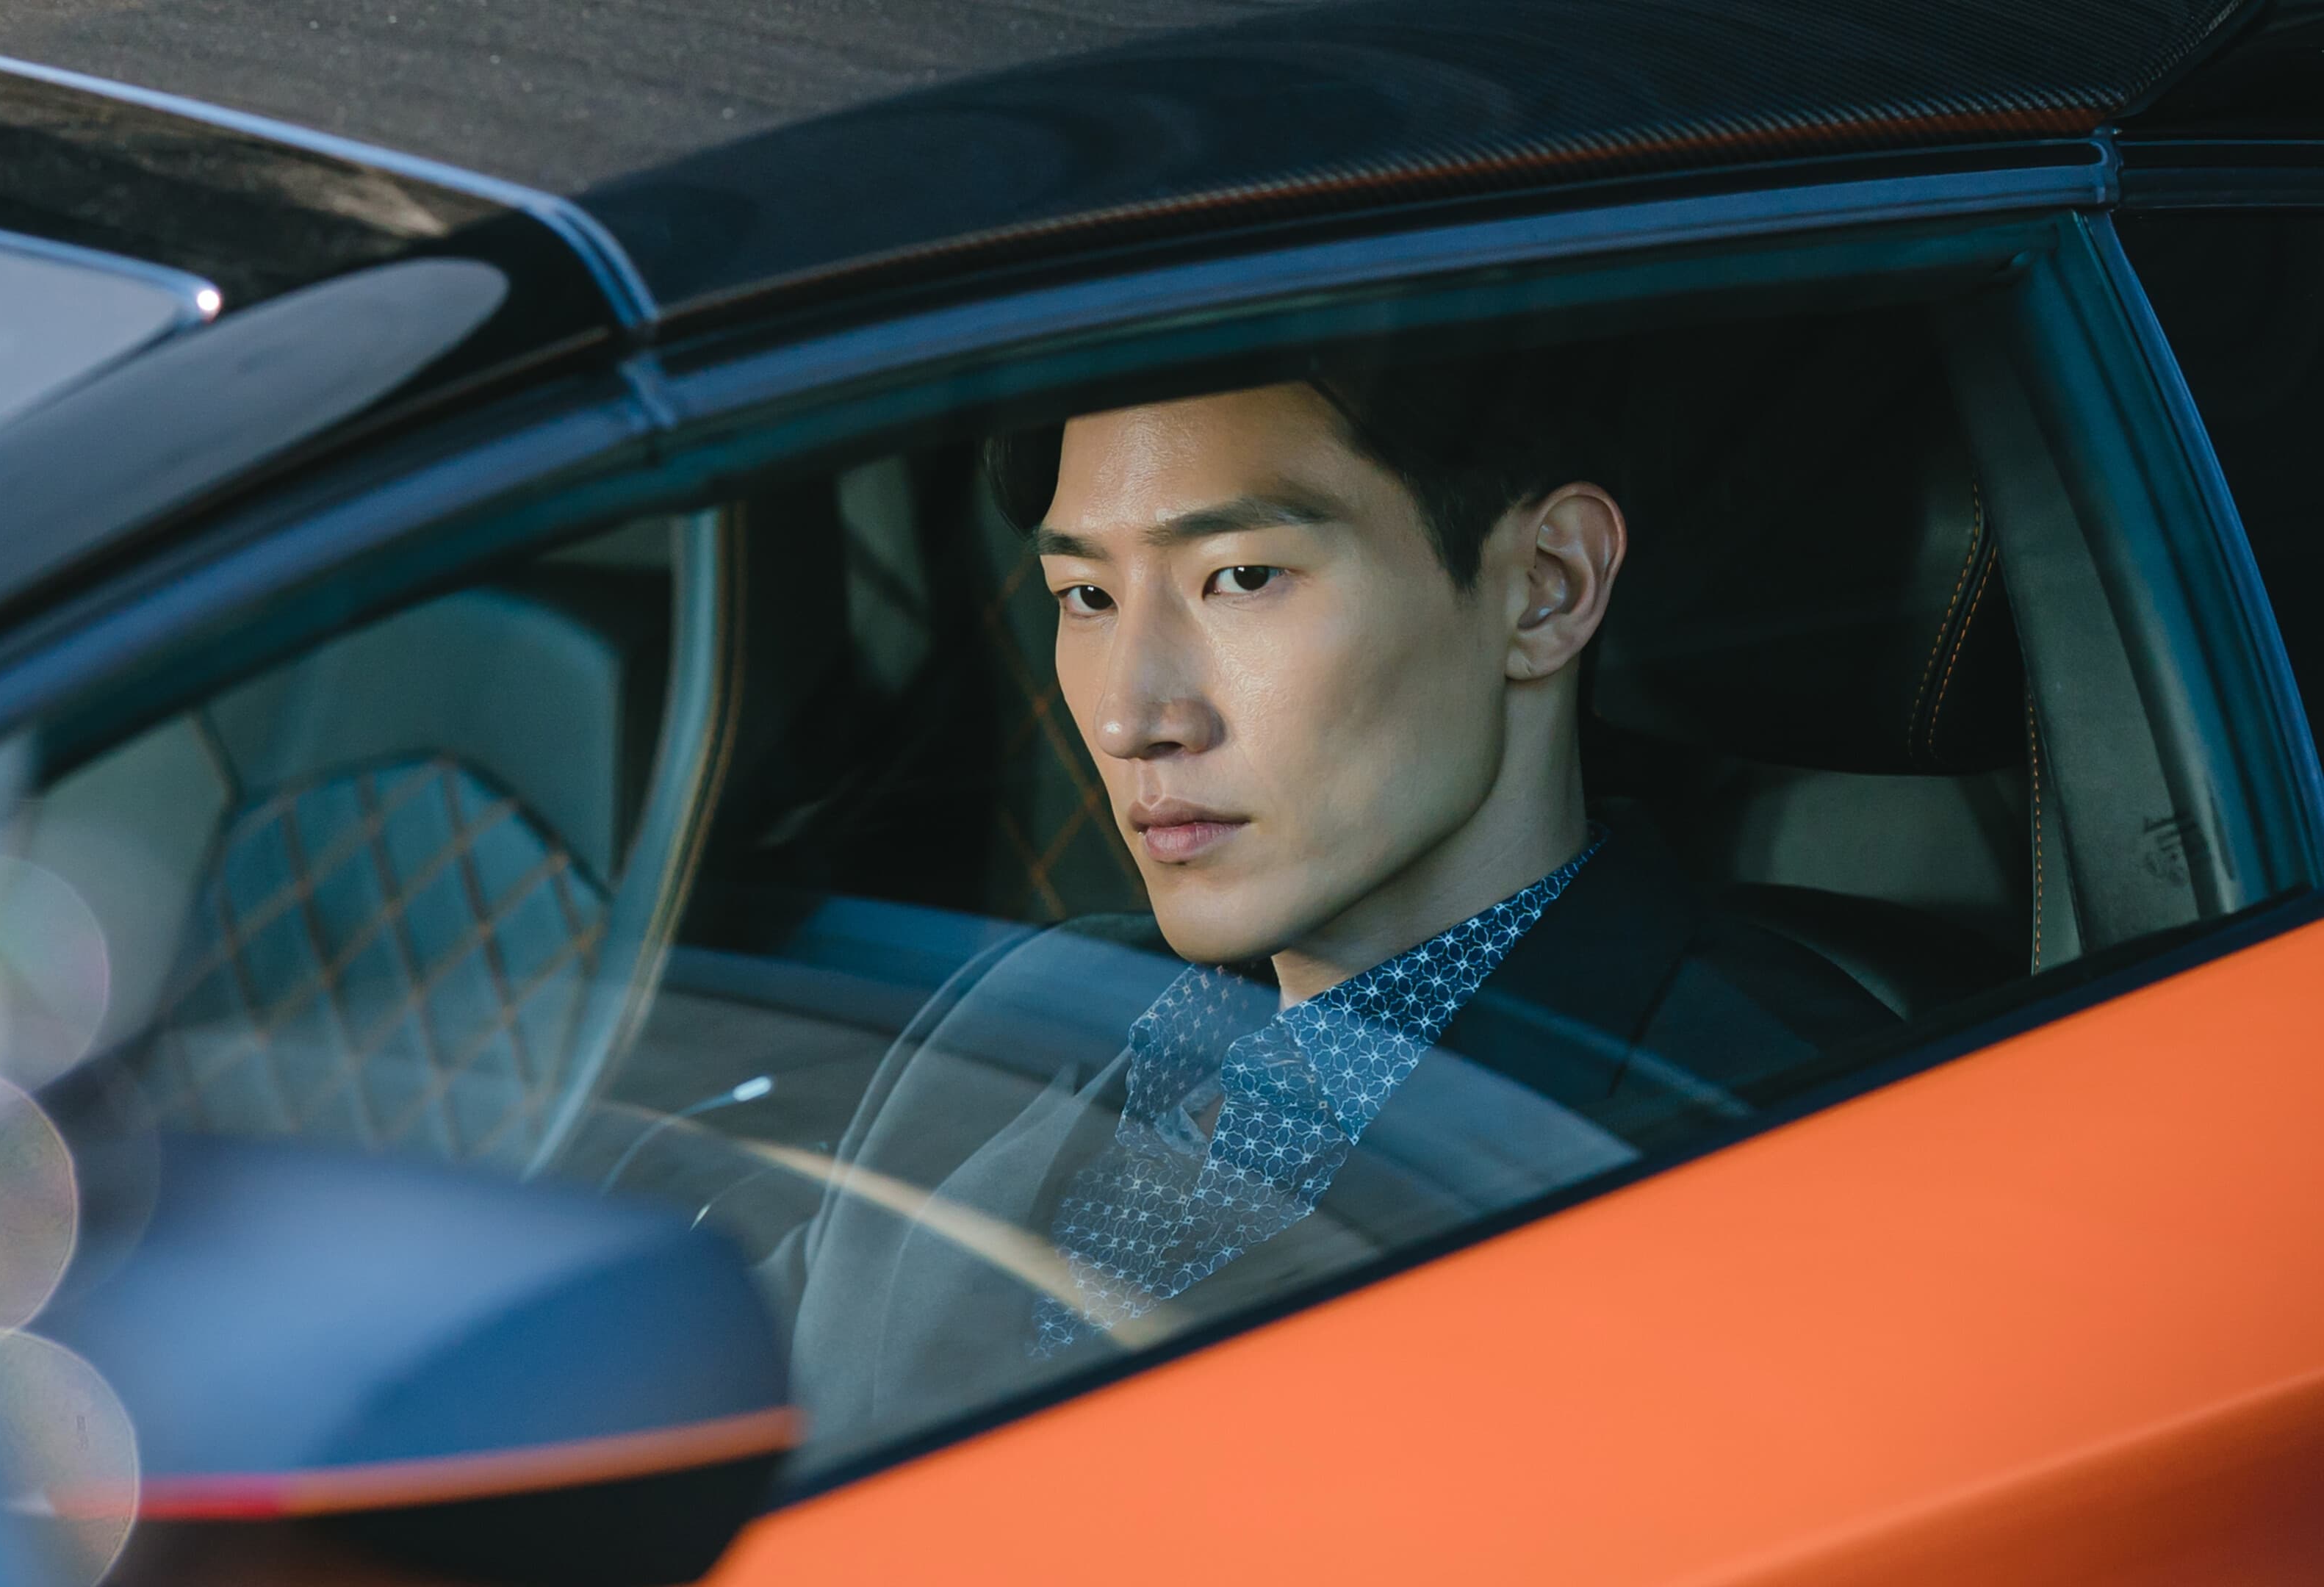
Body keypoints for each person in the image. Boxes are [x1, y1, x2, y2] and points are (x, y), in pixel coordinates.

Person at [762, 357, 1893, 1473]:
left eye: (1242, 577)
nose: (1130, 718)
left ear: (1545, 586)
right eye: (1087, 597)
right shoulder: (1024, 1003)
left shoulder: (1781, 1153)